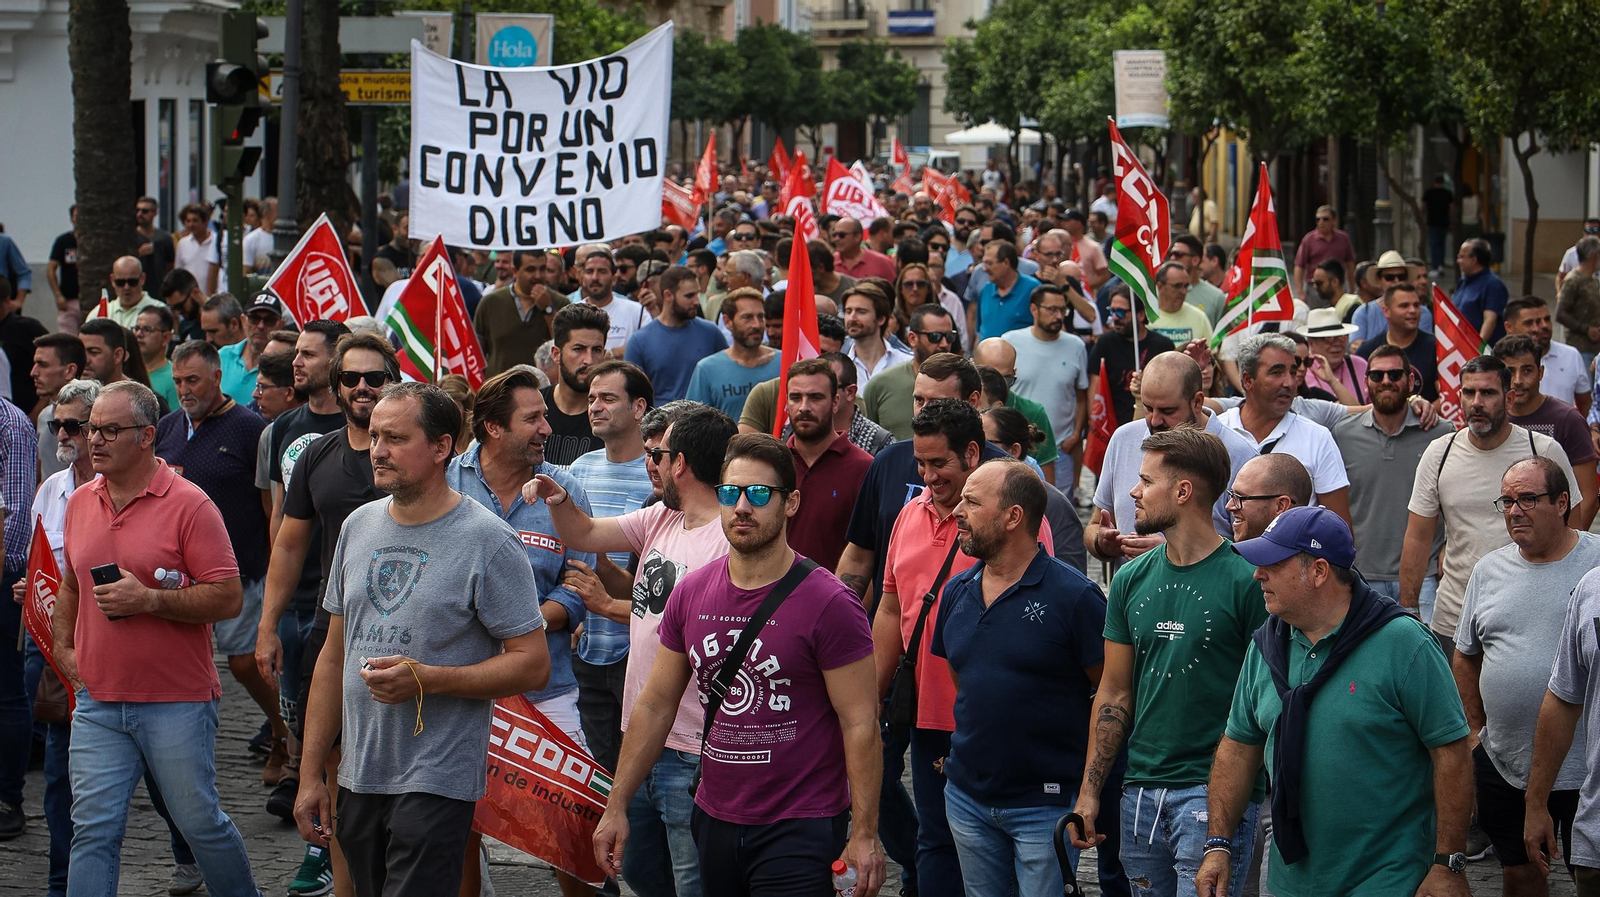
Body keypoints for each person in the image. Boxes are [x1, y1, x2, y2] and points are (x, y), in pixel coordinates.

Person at [592, 433, 885, 897]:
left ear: (791, 504)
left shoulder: (830, 602)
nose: (742, 506)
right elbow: (655, 705)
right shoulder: (691, 592)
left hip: (800, 822)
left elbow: (861, 723)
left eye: (759, 494)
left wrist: (865, 833)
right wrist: (617, 804)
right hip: (713, 814)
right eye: (731, 493)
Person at [293, 382, 551, 897]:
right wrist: (309, 775)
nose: (377, 450)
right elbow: (333, 657)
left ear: (441, 447)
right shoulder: (357, 526)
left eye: (395, 437)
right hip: (360, 772)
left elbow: (532, 663)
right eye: (374, 436)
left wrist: (428, 679)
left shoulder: (488, 540)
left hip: (437, 777)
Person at [1198, 506, 1473, 897]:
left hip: (1387, 881)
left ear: (1319, 571)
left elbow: (1452, 753)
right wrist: (1218, 845)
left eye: (1271, 564)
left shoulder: (1404, 644)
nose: (1257, 574)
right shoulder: (1266, 646)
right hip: (1289, 883)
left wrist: (1449, 864)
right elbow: (1239, 748)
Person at [51, 380, 258, 896]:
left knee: (200, 826)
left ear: (146, 436)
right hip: (98, 701)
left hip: (176, 701)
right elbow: (71, 584)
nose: (92, 440)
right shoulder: (79, 502)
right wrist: (64, 649)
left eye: (108, 430)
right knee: (93, 832)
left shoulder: (190, 505)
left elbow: (228, 597)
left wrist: (150, 600)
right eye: (88, 428)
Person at [529, 404, 737, 897]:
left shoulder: (727, 538)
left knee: (692, 881)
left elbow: (688, 633)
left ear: (680, 462)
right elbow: (583, 534)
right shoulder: (662, 518)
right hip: (642, 733)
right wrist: (559, 497)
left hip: (693, 744)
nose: (649, 463)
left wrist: (606, 605)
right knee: (639, 871)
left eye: (657, 454)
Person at [1071, 428, 1267, 895]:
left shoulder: (1249, 581)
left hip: (1213, 794)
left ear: (1183, 492)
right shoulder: (1129, 579)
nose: (1133, 492)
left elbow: (1265, 702)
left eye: (1145, 481)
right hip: (1140, 792)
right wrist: (1089, 793)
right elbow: (1115, 693)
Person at [876, 399, 1045, 897]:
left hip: (992, 717)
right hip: (924, 712)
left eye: (939, 463)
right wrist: (870, 694)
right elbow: (890, 610)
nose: (928, 476)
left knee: (1002, 844)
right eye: (921, 464)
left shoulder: (1014, 520)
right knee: (934, 840)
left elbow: (1037, 608)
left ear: (971, 453)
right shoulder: (909, 516)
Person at [445, 368, 598, 897]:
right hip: (459, 687)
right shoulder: (445, 481)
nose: (546, 428)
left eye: (545, 417)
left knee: (570, 829)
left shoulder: (565, 486)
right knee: (459, 824)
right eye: (532, 418)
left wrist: (526, 627)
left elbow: (580, 587)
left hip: (546, 688)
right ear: (491, 427)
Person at [258, 333, 397, 895]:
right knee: (334, 768)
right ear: (336, 385)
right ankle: (342, 885)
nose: (362, 387)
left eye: (375, 378)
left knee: (404, 773)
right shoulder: (316, 454)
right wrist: (268, 624)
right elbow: (289, 546)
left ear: (394, 381)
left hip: (409, 635)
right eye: (351, 378)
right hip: (332, 631)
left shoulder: (418, 452)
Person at [932, 457, 1103, 895]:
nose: (956, 512)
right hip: (967, 799)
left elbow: (1111, 693)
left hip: (1046, 808)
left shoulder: (1075, 597)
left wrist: (1088, 794)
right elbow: (963, 679)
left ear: (1013, 516)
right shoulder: (957, 590)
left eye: (971, 502)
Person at [1457, 458, 1600, 895]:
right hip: (1506, 763)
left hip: (1584, 770)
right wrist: (1475, 736)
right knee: (1519, 875)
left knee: (1589, 875)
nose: (1515, 510)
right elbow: (1465, 658)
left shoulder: (1596, 566)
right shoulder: (1488, 570)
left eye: (1528, 499)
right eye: (1508, 500)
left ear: (1562, 502)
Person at [152, 341, 285, 784]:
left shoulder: (250, 429)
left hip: (239, 567)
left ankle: (285, 733)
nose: (185, 390)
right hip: (174, 575)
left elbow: (271, 505)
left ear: (216, 377)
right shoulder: (167, 427)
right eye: (178, 382)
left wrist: (271, 562)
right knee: (183, 665)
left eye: (193, 380)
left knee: (246, 663)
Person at [1401, 355, 1576, 655]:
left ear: (1509, 398)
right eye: (1469, 393)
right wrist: (1408, 610)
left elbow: (1574, 532)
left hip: (1532, 619)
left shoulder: (1543, 451)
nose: (1477, 402)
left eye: (1488, 393)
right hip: (1455, 618)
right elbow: (1417, 537)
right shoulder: (1440, 453)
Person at [566, 360, 656, 774]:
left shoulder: (658, 476)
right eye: (591, 399)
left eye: (608, 398)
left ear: (639, 408)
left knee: (641, 773)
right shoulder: (580, 469)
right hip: (585, 647)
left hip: (642, 649)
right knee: (597, 776)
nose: (595, 407)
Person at [1331, 345, 1452, 621]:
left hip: (1426, 579)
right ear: (1366, 383)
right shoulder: (1341, 434)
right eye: (1377, 375)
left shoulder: (1442, 433)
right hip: (1360, 578)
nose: (1386, 381)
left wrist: (1448, 545)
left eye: (1395, 374)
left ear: (1410, 381)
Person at [1214, 334, 1351, 521]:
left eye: (1292, 373)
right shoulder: (1216, 433)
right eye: (1276, 372)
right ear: (1247, 380)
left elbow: (1338, 530)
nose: (1289, 383)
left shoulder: (1317, 438)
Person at [1493, 334, 1599, 528]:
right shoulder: (1490, 420)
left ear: (1541, 372)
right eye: (1510, 372)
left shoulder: (1568, 419)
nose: (1518, 380)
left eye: (1527, 371)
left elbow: (1589, 496)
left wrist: (1567, 550)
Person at [781, 357, 874, 571]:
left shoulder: (864, 469)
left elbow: (870, 555)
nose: (804, 407)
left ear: (835, 402)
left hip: (835, 600)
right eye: (796, 397)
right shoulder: (772, 465)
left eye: (815, 398)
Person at [1004, 283, 1090, 495]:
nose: (1059, 316)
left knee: (1059, 510)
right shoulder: (1010, 341)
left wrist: (1077, 433)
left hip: (1061, 449)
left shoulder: (1076, 346)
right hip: (1018, 448)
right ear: (1034, 309)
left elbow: (1081, 396)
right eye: (1052, 309)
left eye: (1062, 310)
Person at [980, 405, 1086, 573]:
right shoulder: (966, 498)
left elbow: (1072, 575)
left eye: (985, 444)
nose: (975, 452)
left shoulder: (1053, 503)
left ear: (1014, 450)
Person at [0, 360, 34, 839]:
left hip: (4, 578)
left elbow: (14, 515)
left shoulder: (10, 424)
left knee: (7, 690)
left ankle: (7, 797)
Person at [626, 265, 728, 404]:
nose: (697, 302)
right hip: (660, 422)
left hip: (705, 421)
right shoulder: (639, 341)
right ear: (668, 295)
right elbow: (633, 395)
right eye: (689, 296)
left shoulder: (711, 332)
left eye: (697, 294)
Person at [859, 302, 956, 441]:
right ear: (912, 338)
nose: (944, 344)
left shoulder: (962, 382)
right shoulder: (880, 385)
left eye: (950, 336)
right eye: (935, 336)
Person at [473, 249, 569, 377]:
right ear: (515, 271)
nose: (538, 276)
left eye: (542, 269)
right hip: (499, 391)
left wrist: (548, 309)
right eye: (530, 270)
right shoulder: (490, 302)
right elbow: (476, 355)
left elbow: (564, 348)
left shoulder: (560, 302)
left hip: (542, 391)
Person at [685, 287, 779, 419]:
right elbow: (693, 423)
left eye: (760, 317)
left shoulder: (784, 362)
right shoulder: (707, 369)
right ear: (728, 322)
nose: (757, 325)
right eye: (747, 318)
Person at [1088, 285, 1176, 426]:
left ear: (1140, 315)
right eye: (1112, 311)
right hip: (1112, 427)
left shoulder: (1163, 346)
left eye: (1121, 312)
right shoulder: (1106, 343)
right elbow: (1094, 390)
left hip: (1154, 425)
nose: (1115, 317)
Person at [543, 304, 611, 466]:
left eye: (596, 350)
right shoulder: (533, 407)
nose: (589, 360)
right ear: (556, 354)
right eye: (579, 349)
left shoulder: (613, 415)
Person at [1503, 295, 1593, 413]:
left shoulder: (1571, 355)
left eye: (1546, 319)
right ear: (1509, 327)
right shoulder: (1497, 361)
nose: (1542, 326)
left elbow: (1585, 405)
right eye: (1529, 323)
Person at [1355, 281, 1441, 400]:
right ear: (1386, 311)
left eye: (1416, 305)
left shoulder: (1437, 348)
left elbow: (1447, 398)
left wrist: (1423, 414)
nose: (1412, 310)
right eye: (1404, 306)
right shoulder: (1367, 350)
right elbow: (1357, 397)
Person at [573, 247, 650, 352]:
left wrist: (613, 354)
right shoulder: (572, 313)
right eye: (590, 271)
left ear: (613, 279)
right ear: (582, 277)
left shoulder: (636, 311)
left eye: (602, 271)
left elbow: (647, 346)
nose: (595, 277)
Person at [31, 332, 84, 482]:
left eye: (43, 365)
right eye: (35, 364)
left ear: (70, 370)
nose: (33, 372)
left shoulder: (94, 418)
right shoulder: (44, 417)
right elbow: (43, 476)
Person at [845, 283, 914, 388]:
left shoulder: (908, 363)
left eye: (861, 312)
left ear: (881, 319)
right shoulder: (839, 367)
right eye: (848, 311)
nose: (852, 318)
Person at [976, 241, 1042, 341]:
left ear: (1006, 263)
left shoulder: (1033, 289)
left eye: (989, 263)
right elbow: (981, 332)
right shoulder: (986, 290)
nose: (984, 269)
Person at [1299, 308, 1365, 404]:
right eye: (1329, 338)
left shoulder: (1359, 365)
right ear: (1311, 343)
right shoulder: (1302, 373)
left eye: (1341, 337)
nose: (1337, 344)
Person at [1455, 238, 1510, 346]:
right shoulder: (1463, 281)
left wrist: (1477, 348)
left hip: (1480, 352)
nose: (1458, 261)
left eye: (1461, 257)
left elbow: (1490, 320)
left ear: (1473, 259)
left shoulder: (1493, 285)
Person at [1291, 206, 1356, 298]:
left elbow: (1350, 264)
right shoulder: (1309, 239)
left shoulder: (1343, 238)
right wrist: (1300, 291)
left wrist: (1352, 288)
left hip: (1337, 287)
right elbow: (1299, 266)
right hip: (1315, 288)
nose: (1321, 222)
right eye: (1318, 219)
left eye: (1325, 219)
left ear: (1333, 221)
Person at [1556, 235, 1600, 370]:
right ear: (1593, 256)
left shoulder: (1593, 280)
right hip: (1581, 348)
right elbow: (1560, 313)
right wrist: (1586, 329)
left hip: (1595, 349)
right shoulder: (1573, 281)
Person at [1150, 260, 1214, 345]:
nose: (1183, 292)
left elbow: (1211, 354)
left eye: (1186, 286)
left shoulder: (1199, 317)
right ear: (1160, 286)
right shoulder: (1147, 316)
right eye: (1177, 286)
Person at [133, 305, 181, 412]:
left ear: (166, 337)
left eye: (147, 329)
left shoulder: (175, 378)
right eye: (137, 328)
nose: (139, 334)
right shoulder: (127, 372)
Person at [134, 196, 176, 306]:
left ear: (155, 213)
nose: (140, 214)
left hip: (158, 292)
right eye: (137, 210)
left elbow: (170, 265)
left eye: (145, 211)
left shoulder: (164, 238)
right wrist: (138, 254)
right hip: (137, 291)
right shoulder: (131, 237)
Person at [834, 216, 897, 281]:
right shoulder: (829, 262)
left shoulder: (882, 263)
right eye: (834, 234)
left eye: (842, 235)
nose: (836, 239)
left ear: (857, 237)